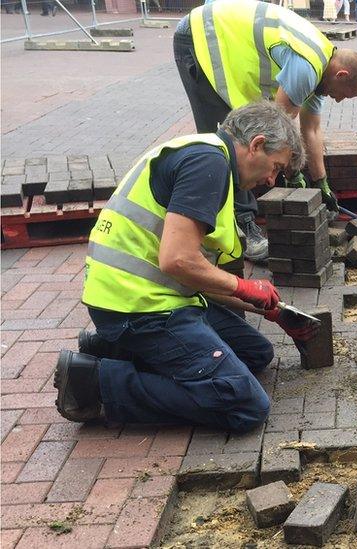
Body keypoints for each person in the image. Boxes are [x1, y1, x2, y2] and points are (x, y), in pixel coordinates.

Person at [55, 102, 319, 432]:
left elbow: (199, 276)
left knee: (256, 353)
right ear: (257, 144)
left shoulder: (208, 158)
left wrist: (274, 310)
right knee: (244, 404)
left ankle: (110, 348)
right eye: (275, 166)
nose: (270, 179)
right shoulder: (207, 163)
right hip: (137, 307)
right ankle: (97, 383)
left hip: (158, 296)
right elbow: (177, 260)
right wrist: (245, 287)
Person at [172, 0, 357, 261]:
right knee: (230, 145)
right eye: (345, 95)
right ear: (341, 75)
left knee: (249, 142)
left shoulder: (321, 69)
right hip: (201, 39)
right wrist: (292, 171)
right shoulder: (307, 67)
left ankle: (236, 216)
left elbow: (311, 129)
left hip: (219, 38)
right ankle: (241, 227)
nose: (339, 100)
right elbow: (276, 128)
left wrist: (321, 183)